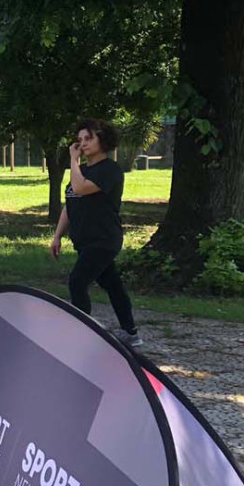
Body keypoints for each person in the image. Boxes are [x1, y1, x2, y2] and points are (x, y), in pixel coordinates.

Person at [50, 118, 142, 348]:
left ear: (103, 140)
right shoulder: (80, 171)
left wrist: (73, 160)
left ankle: (83, 334)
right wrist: (57, 236)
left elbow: (81, 188)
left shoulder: (110, 170)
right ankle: (131, 332)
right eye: (79, 139)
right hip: (84, 240)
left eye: (88, 138)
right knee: (112, 284)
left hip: (104, 239)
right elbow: (70, 203)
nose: (82, 143)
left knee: (77, 281)